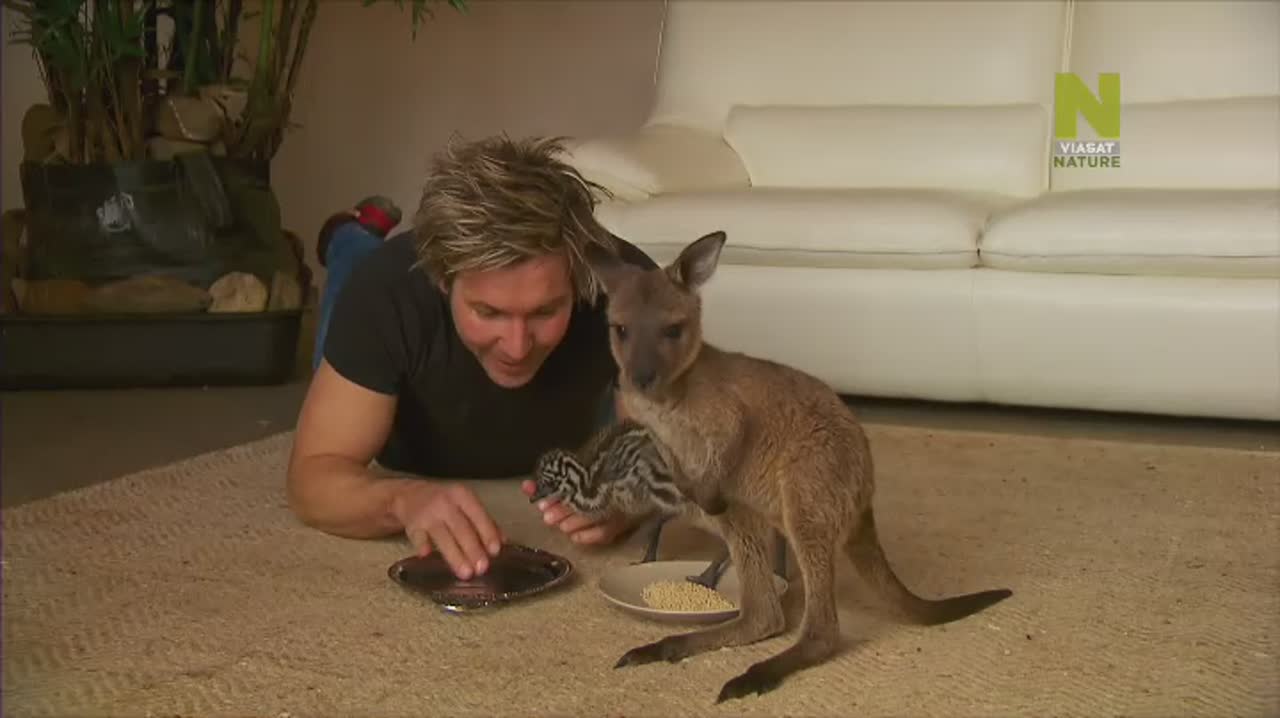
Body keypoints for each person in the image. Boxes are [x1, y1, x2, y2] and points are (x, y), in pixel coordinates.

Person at [286, 135, 658, 582]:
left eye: (545, 311)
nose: (517, 347)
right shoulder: (386, 294)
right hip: (383, 311)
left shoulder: (634, 295)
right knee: (353, 273)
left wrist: (630, 501)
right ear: (443, 280)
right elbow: (312, 479)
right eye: (489, 312)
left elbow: (668, 456)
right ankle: (349, 235)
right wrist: (402, 500)